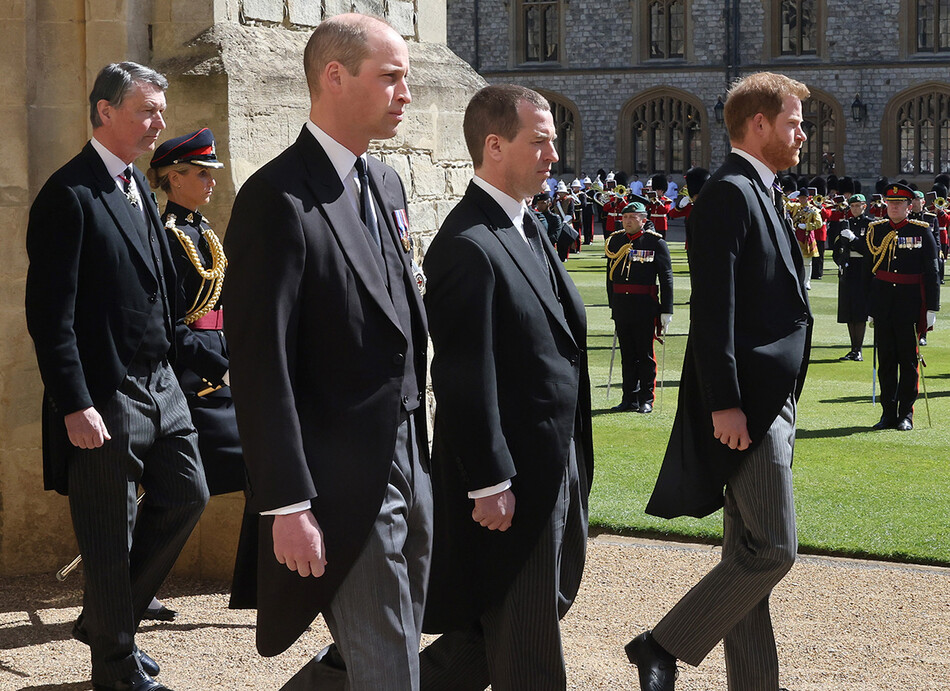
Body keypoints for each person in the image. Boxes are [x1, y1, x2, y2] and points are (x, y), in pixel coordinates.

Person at [222, 14, 432, 690]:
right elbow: (260, 365)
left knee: (390, 633)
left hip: (409, 455)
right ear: (334, 77)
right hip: (338, 477)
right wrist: (286, 502)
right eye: (392, 77)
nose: (407, 95)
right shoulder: (276, 199)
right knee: (389, 663)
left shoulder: (388, 185)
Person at [24, 61, 209, 691]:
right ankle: (114, 666)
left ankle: (109, 621)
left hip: (162, 385)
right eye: (146, 110)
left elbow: (161, 290)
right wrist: (75, 403)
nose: (159, 122)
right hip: (106, 394)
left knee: (188, 495)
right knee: (107, 532)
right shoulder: (69, 195)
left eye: (160, 110)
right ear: (105, 111)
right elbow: (50, 316)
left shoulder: (136, 188)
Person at [628, 72, 812, 691]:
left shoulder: (757, 190)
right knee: (772, 553)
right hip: (749, 405)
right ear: (758, 125)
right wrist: (727, 403)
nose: (802, 134)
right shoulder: (731, 193)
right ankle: (662, 643)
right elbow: (715, 312)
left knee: (745, 562)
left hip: (768, 396)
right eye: (793, 122)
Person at [419, 84, 594, 690]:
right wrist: (489, 481)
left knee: (510, 623)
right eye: (539, 141)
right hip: (512, 474)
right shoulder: (468, 245)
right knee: (529, 649)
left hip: (555, 458)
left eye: (554, 140)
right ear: (494, 146)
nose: (554, 154)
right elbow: (466, 375)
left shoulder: (527, 226)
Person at [146, 128, 258, 610]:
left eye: (211, 173)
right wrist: (221, 369)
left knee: (261, 468)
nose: (212, 181)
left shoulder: (201, 232)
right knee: (179, 493)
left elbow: (222, 307)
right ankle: (131, 585)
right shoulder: (168, 237)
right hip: (189, 382)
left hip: (218, 372)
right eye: (200, 174)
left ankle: (258, 583)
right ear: (173, 178)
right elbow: (172, 325)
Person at [865, 183, 939, 431]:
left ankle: (905, 413)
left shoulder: (922, 231)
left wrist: (932, 308)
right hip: (884, 303)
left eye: (899, 203)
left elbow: (931, 272)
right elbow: (869, 271)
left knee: (907, 361)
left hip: (910, 304)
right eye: (891, 203)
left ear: (909, 206)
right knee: (885, 360)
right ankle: (888, 412)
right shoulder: (876, 230)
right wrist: (870, 305)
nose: (894, 207)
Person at [605, 201, 674, 413]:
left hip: (645, 306)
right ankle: (629, 398)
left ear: (643, 220)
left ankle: (646, 398)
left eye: (632, 217)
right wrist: (612, 304)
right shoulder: (615, 241)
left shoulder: (655, 243)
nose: (627, 221)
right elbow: (609, 276)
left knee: (644, 355)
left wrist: (666, 309)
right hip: (622, 306)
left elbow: (666, 277)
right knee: (627, 354)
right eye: (625, 217)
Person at [832, 194, 873, 361]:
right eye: (853, 206)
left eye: (858, 205)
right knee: (849, 311)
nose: (855, 208)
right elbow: (837, 248)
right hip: (848, 269)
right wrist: (840, 262)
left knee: (859, 310)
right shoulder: (844, 223)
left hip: (861, 269)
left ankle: (859, 348)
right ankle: (853, 348)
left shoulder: (869, 224)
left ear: (864, 206)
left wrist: (854, 239)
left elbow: (869, 250)